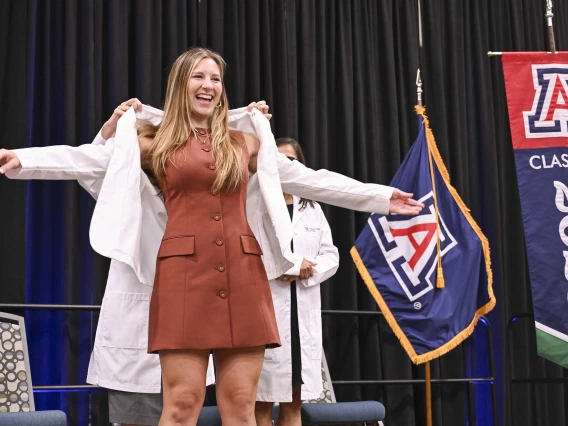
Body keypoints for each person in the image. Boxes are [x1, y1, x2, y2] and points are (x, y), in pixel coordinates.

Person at [0, 47, 423, 425]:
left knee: (240, 406)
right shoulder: (154, 141)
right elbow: (89, 160)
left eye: (216, 78)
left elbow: (310, 180)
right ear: (180, 85)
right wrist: (21, 158)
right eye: (198, 77)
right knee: (182, 405)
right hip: (183, 276)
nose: (208, 85)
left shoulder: (246, 142)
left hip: (244, 275)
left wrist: (382, 197)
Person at [255, 138, 339, 426]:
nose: (284, 165)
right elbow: (247, 253)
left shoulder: (312, 208)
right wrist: (285, 266)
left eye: (291, 159)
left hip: (302, 312)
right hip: (267, 310)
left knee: (294, 404)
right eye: (278, 159)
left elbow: (331, 255)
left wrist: (309, 270)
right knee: (262, 404)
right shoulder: (256, 203)